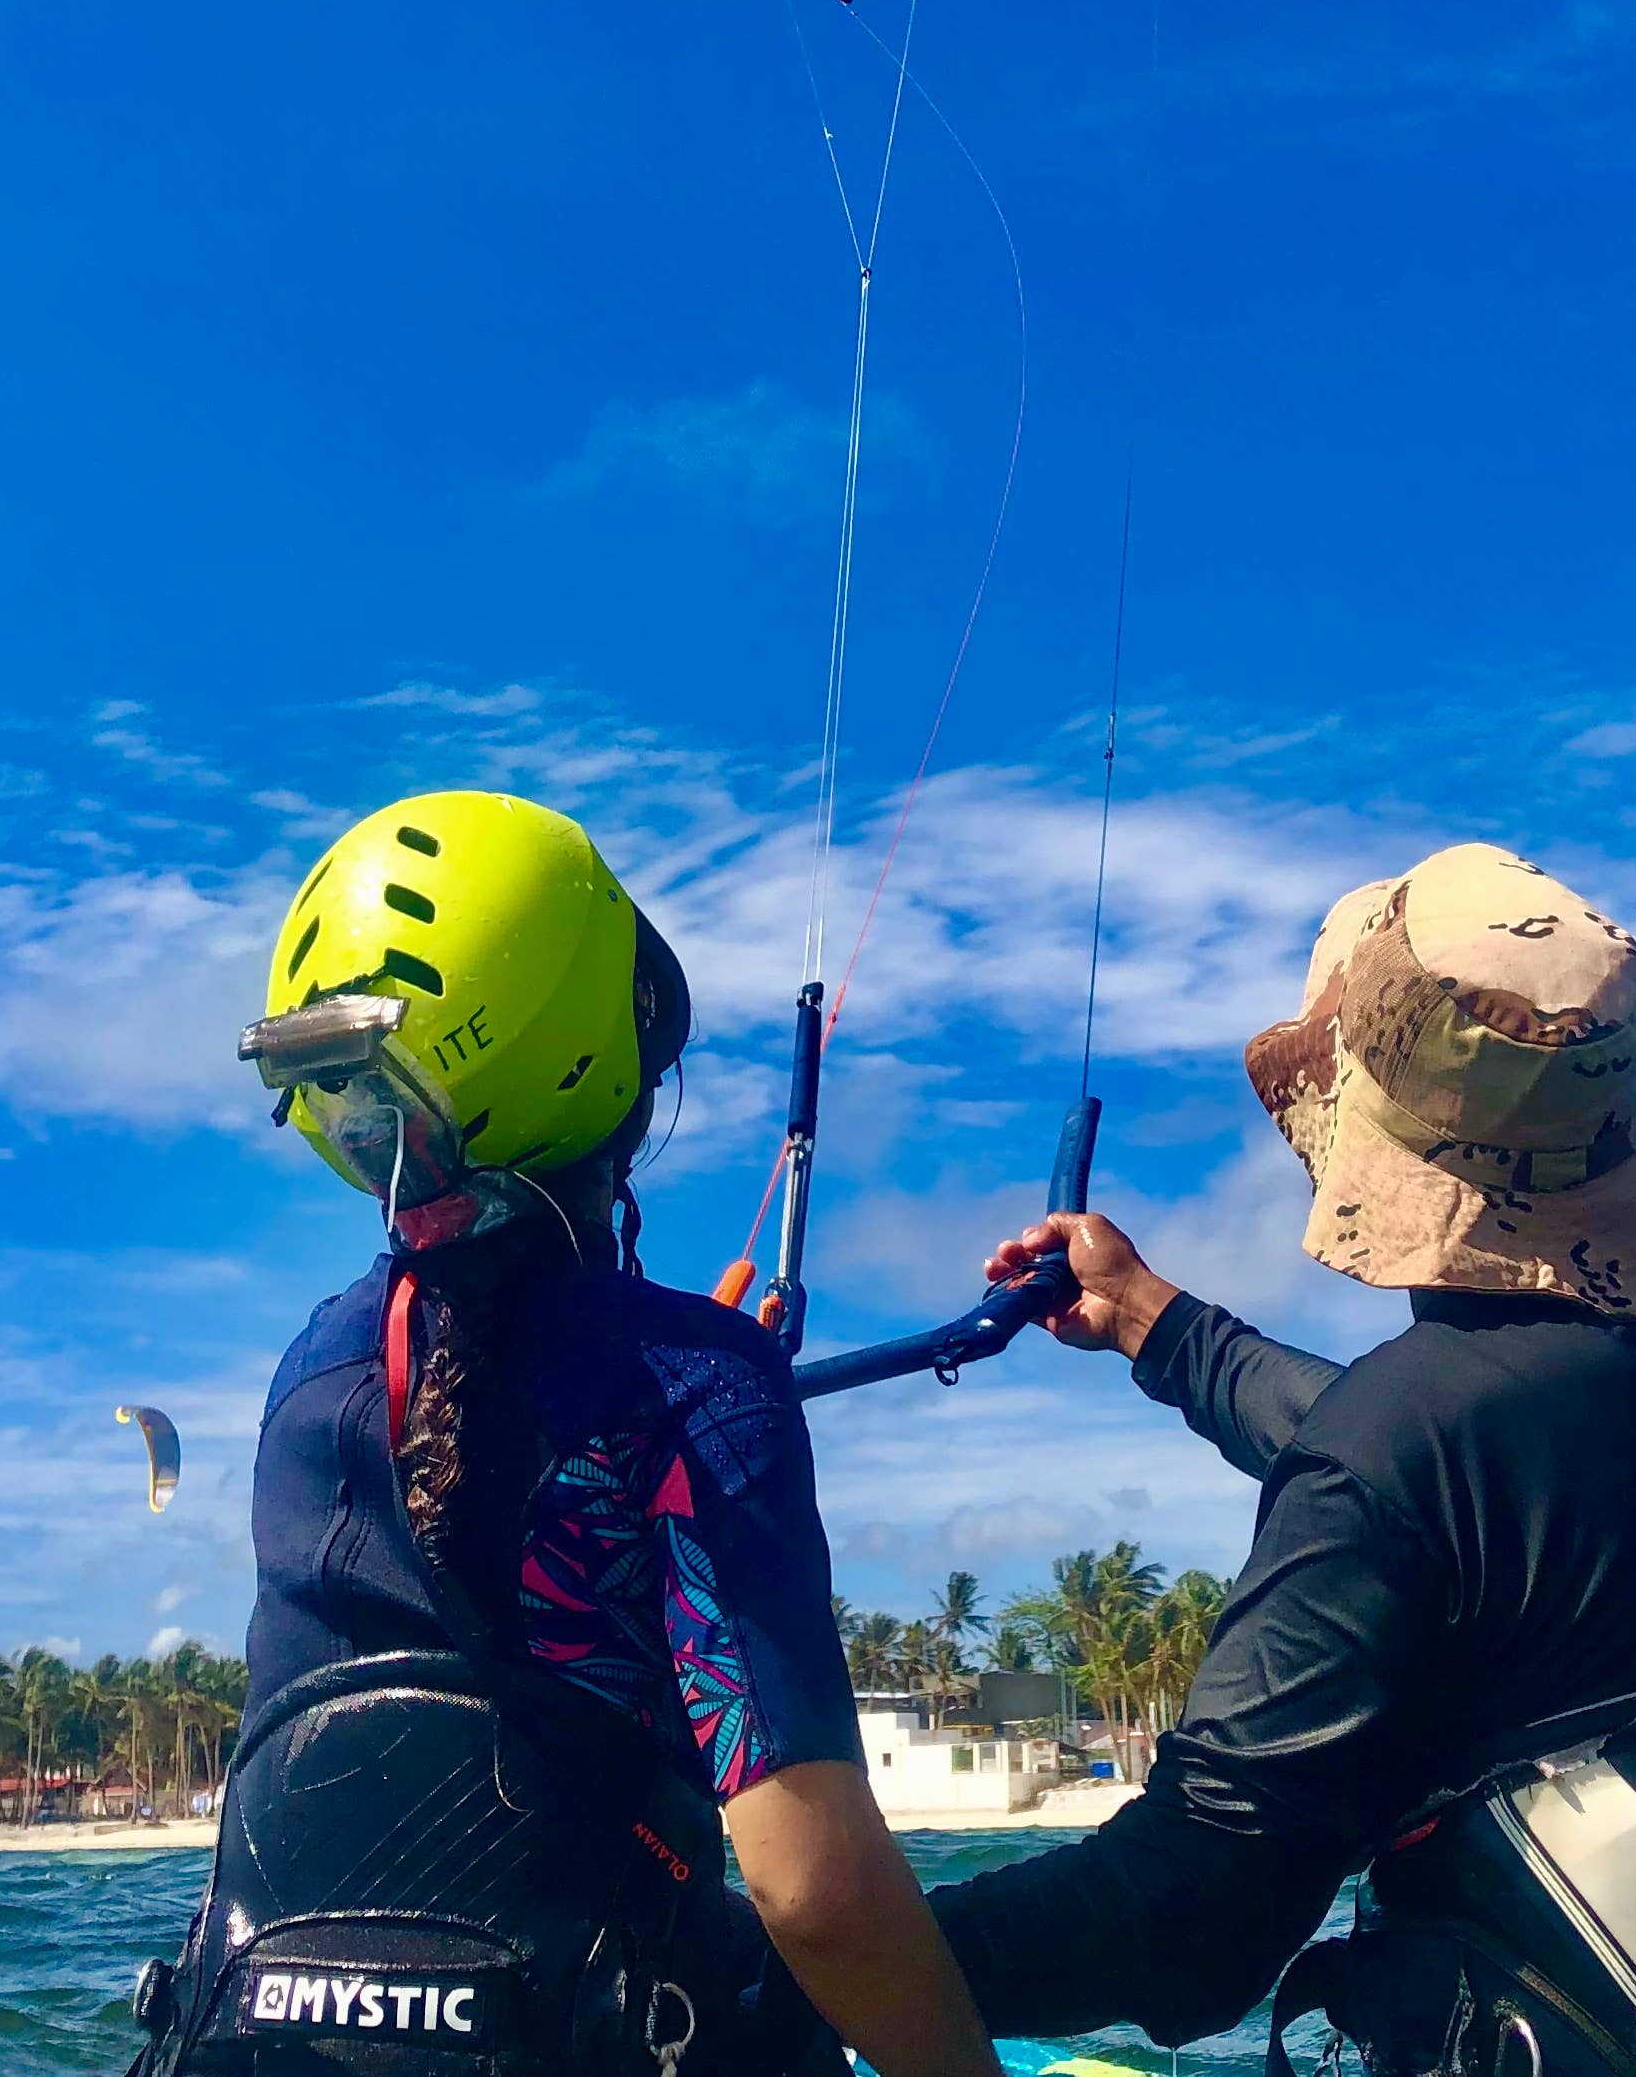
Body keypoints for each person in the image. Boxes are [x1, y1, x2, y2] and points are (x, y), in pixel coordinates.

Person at [928, 843, 1636, 2077]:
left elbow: (1186, 1927)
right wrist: (1153, 1318)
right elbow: (1448, 1461)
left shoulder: (1401, 1453)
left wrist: (833, 1943)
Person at [127, 792, 999, 2077]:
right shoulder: (701, 1391)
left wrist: (684, 1370)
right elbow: (817, 1897)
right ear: (607, 1067)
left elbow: (477, 1468)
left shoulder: (308, 1371)